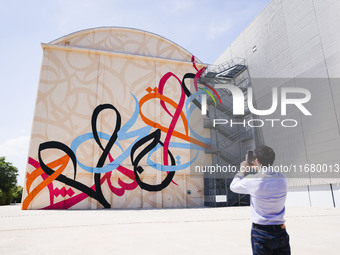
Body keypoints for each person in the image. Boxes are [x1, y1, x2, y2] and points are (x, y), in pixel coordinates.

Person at [230, 145, 291, 255]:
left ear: (256, 160)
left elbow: (233, 186)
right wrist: (259, 167)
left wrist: (242, 170)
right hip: (281, 230)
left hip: (261, 231)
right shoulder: (283, 178)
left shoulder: (253, 180)